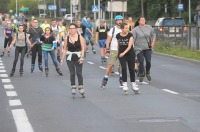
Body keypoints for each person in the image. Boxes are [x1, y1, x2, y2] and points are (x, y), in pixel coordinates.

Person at [61, 23, 85, 98]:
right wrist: (62, 59)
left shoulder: (80, 37)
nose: (71, 30)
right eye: (70, 28)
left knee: (79, 72)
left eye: (73, 28)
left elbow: (83, 48)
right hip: (69, 56)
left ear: (76, 29)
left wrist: (81, 58)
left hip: (78, 56)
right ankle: (73, 87)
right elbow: (65, 49)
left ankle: (81, 87)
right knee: (72, 73)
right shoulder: (67, 38)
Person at [116, 23, 139, 94]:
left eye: (127, 28)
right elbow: (118, 45)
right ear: (122, 29)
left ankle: (133, 83)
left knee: (131, 69)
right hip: (122, 54)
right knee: (124, 68)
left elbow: (130, 46)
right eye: (125, 28)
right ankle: (124, 83)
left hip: (130, 54)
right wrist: (119, 53)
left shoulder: (130, 35)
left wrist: (124, 53)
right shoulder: (118, 35)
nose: (127, 29)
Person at [131, 16, 156, 82]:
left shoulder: (149, 27)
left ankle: (147, 72)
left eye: (144, 20)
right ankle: (141, 74)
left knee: (148, 62)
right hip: (139, 48)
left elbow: (153, 35)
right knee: (141, 61)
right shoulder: (136, 29)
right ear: (139, 21)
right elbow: (132, 38)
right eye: (141, 20)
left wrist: (152, 43)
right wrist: (131, 46)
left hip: (147, 47)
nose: (143, 21)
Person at [101, 15, 123, 87]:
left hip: (122, 50)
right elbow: (108, 41)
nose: (120, 21)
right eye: (118, 20)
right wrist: (107, 50)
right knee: (110, 65)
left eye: (121, 20)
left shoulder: (124, 29)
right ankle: (105, 78)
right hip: (114, 49)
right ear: (116, 21)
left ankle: (121, 78)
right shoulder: (113, 29)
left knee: (122, 65)